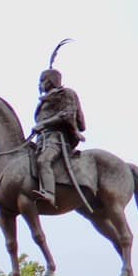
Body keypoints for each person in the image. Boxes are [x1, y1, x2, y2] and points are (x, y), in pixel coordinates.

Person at [32, 66, 85, 206]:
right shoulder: (44, 100)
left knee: (43, 160)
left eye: (42, 80)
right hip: (41, 139)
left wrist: (43, 124)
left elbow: (67, 114)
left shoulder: (65, 93)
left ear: (50, 81)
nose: (39, 84)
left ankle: (49, 193)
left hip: (57, 139)